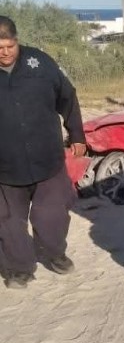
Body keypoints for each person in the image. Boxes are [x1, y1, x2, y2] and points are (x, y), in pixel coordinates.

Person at [0, 15, 86, 289]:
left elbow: (68, 96)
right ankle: (19, 269)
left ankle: (55, 253)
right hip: (5, 167)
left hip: (47, 159)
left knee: (52, 215)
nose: (4, 53)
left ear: (17, 41)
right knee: (9, 223)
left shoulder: (41, 63)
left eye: (9, 46)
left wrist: (77, 134)